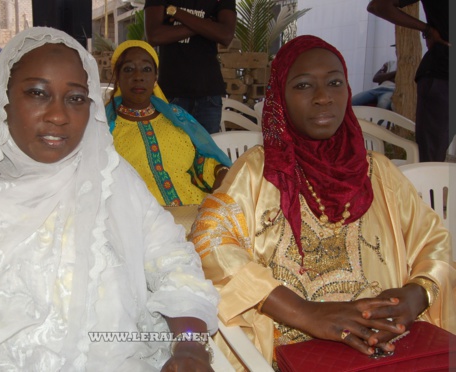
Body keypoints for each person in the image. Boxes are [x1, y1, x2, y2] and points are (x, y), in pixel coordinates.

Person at [0, 27, 219, 371]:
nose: (58, 115)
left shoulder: (112, 180)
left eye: (76, 98)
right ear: (3, 100)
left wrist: (190, 346)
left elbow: (174, 262)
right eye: (37, 93)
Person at [189, 35, 455, 369]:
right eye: (302, 85)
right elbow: (207, 239)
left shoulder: (379, 172)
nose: (322, 98)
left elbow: (433, 241)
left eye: (334, 83)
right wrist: (303, 312)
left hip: (386, 348)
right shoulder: (260, 170)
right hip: (287, 353)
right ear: (279, 98)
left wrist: (419, 293)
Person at [105, 40, 232, 207]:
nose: (138, 77)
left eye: (146, 69)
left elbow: (201, 160)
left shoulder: (176, 119)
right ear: (117, 76)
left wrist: (221, 171)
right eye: (128, 69)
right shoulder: (104, 128)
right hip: (140, 223)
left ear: (155, 77)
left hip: (193, 212)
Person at [367, 0, 449, 162]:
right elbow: (378, 6)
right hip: (442, 76)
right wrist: (426, 29)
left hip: (441, 76)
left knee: (431, 159)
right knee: (431, 162)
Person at [144, 0, 237, 134]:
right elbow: (154, 35)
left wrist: (176, 12)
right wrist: (206, 25)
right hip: (171, 93)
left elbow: (225, 35)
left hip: (209, 94)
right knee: (172, 151)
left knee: (207, 153)